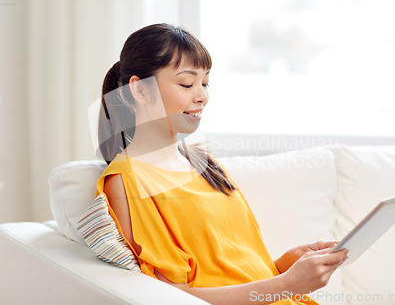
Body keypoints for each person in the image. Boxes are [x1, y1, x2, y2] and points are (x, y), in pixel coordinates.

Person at [95, 23, 348, 305]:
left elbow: (229, 273)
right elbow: (170, 297)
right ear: (139, 90)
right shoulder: (126, 180)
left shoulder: (204, 163)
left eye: (205, 83)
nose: (202, 96)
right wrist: (285, 285)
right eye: (187, 84)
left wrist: (286, 266)